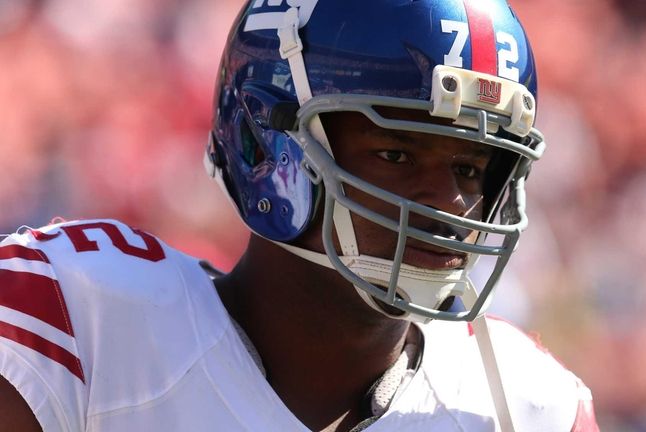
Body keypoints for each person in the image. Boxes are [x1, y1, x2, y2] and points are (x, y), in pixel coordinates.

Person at [0, 0, 599, 430]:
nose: (451, 204)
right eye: (396, 153)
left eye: (470, 169)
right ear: (265, 147)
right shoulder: (87, 326)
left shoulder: (521, 406)